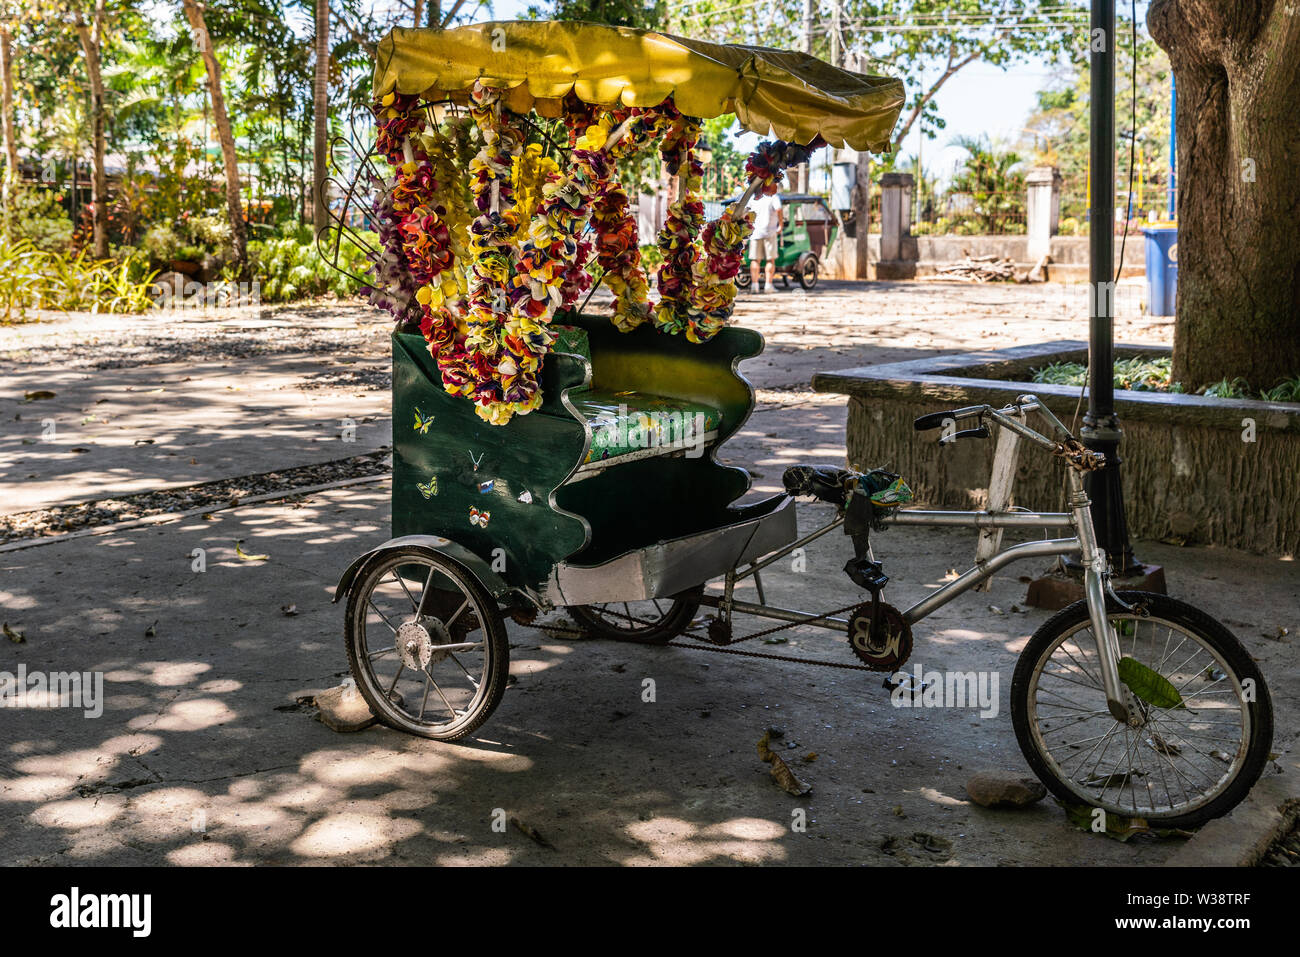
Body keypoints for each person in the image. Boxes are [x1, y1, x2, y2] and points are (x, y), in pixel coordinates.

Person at [747, 191, 783, 292]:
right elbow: (779, 210)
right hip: (770, 232)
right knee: (770, 260)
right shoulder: (773, 196)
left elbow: (747, 212)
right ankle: (768, 285)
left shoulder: (753, 196)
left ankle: (755, 286)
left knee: (755, 260)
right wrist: (780, 224)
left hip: (755, 232)